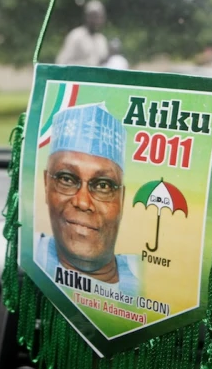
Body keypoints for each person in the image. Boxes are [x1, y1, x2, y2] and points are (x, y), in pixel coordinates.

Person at [35, 103, 140, 295]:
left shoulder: (151, 280)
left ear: (122, 199)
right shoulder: (29, 256)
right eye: (66, 179)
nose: (83, 202)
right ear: (46, 184)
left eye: (103, 185)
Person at [55, 0, 109, 66]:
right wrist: (89, 64)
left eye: (99, 17)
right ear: (86, 17)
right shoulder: (76, 36)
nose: (97, 20)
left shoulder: (102, 39)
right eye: (94, 16)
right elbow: (62, 63)